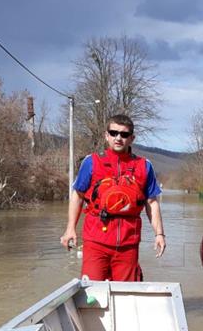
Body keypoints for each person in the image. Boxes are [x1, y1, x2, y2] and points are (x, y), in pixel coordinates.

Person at [60, 114, 166, 281]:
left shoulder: (144, 166)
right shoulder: (91, 162)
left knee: (127, 293)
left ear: (132, 138)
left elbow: (151, 202)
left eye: (124, 134)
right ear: (106, 135)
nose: (118, 138)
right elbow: (78, 195)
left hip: (128, 244)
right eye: (114, 133)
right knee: (92, 293)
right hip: (96, 242)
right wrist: (70, 228)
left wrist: (159, 234)